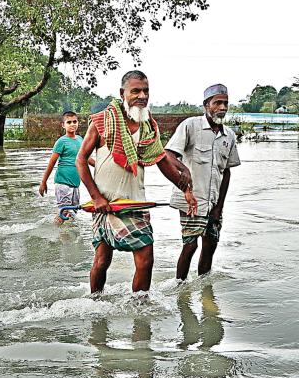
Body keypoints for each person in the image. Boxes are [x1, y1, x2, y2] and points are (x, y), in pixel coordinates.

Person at [76, 70, 197, 293]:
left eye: (146, 91)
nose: (142, 96)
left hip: (134, 203)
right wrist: (96, 197)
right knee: (102, 261)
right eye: (136, 91)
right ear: (122, 93)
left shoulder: (148, 126)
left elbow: (162, 161)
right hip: (104, 205)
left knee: (145, 260)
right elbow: (80, 160)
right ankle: (95, 301)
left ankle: (139, 306)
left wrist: (185, 189)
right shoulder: (102, 121)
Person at [167, 84, 241, 280]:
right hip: (191, 200)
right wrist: (184, 171)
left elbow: (226, 173)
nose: (222, 107)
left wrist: (219, 208)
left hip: (213, 203)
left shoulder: (229, 136)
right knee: (190, 246)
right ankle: (180, 287)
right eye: (217, 103)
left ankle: (205, 289)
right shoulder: (191, 126)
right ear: (206, 105)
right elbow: (168, 155)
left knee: (210, 246)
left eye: (225, 103)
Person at [38, 111, 95, 224]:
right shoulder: (61, 142)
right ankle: (56, 231)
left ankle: (68, 233)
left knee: (73, 213)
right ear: (63, 125)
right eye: (69, 122)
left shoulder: (80, 140)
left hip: (75, 184)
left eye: (74, 121)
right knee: (64, 212)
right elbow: (52, 163)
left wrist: (101, 167)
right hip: (63, 183)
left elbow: (87, 159)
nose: (72, 124)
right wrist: (43, 182)